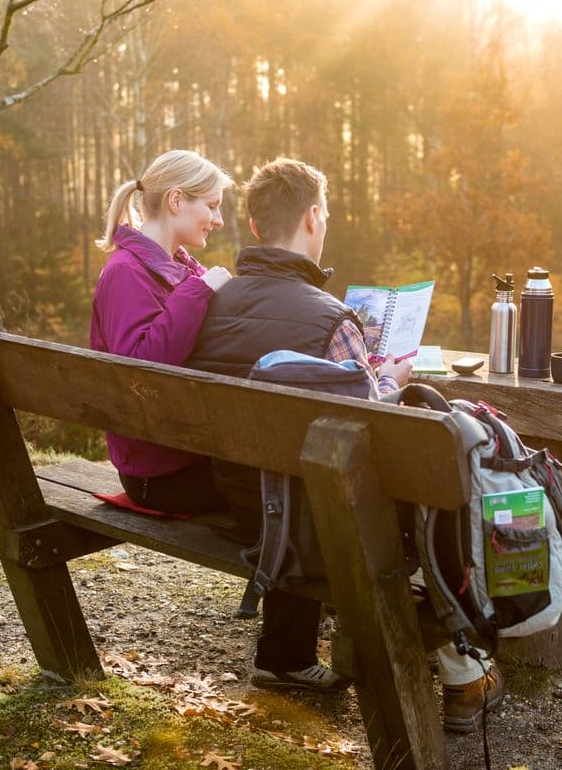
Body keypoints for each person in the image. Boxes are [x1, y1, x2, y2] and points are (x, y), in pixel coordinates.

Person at [187, 157, 504, 731]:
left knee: (294, 462)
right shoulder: (332, 319)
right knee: (403, 492)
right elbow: (371, 429)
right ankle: (462, 673)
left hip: (236, 496)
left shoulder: (212, 302)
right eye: (325, 214)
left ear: (256, 228)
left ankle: (285, 656)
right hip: (305, 515)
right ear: (312, 218)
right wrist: (394, 380)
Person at [90, 149, 235, 513]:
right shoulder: (126, 271)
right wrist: (199, 291)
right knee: (288, 491)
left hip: (185, 454)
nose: (218, 220)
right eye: (212, 205)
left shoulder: (174, 267)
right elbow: (141, 368)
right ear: (176, 200)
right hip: (158, 476)